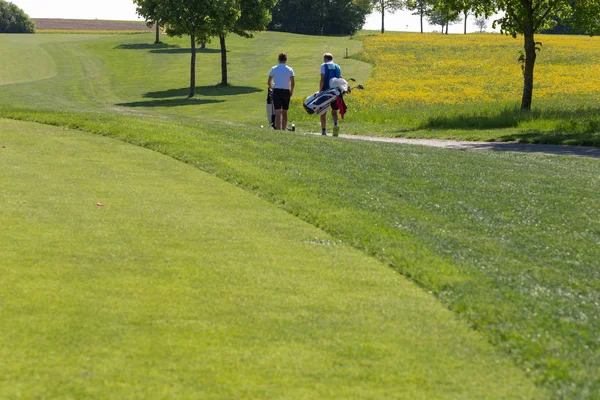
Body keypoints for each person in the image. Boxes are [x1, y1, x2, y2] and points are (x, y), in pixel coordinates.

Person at [267, 52, 295, 130]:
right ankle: (283, 129)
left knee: (278, 111)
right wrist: (291, 91)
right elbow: (293, 82)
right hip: (286, 91)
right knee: (285, 111)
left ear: (278, 59)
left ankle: (278, 130)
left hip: (277, 91)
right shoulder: (289, 69)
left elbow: (269, 81)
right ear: (286, 60)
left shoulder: (274, 68)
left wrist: (272, 87)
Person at [319, 53, 342, 136]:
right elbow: (340, 78)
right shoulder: (337, 66)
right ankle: (336, 125)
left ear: (325, 58)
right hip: (336, 92)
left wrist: (320, 91)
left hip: (326, 92)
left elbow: (322, 80)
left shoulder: (323, 66)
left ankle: (324, 131)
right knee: (334, 112)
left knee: (323, 112)